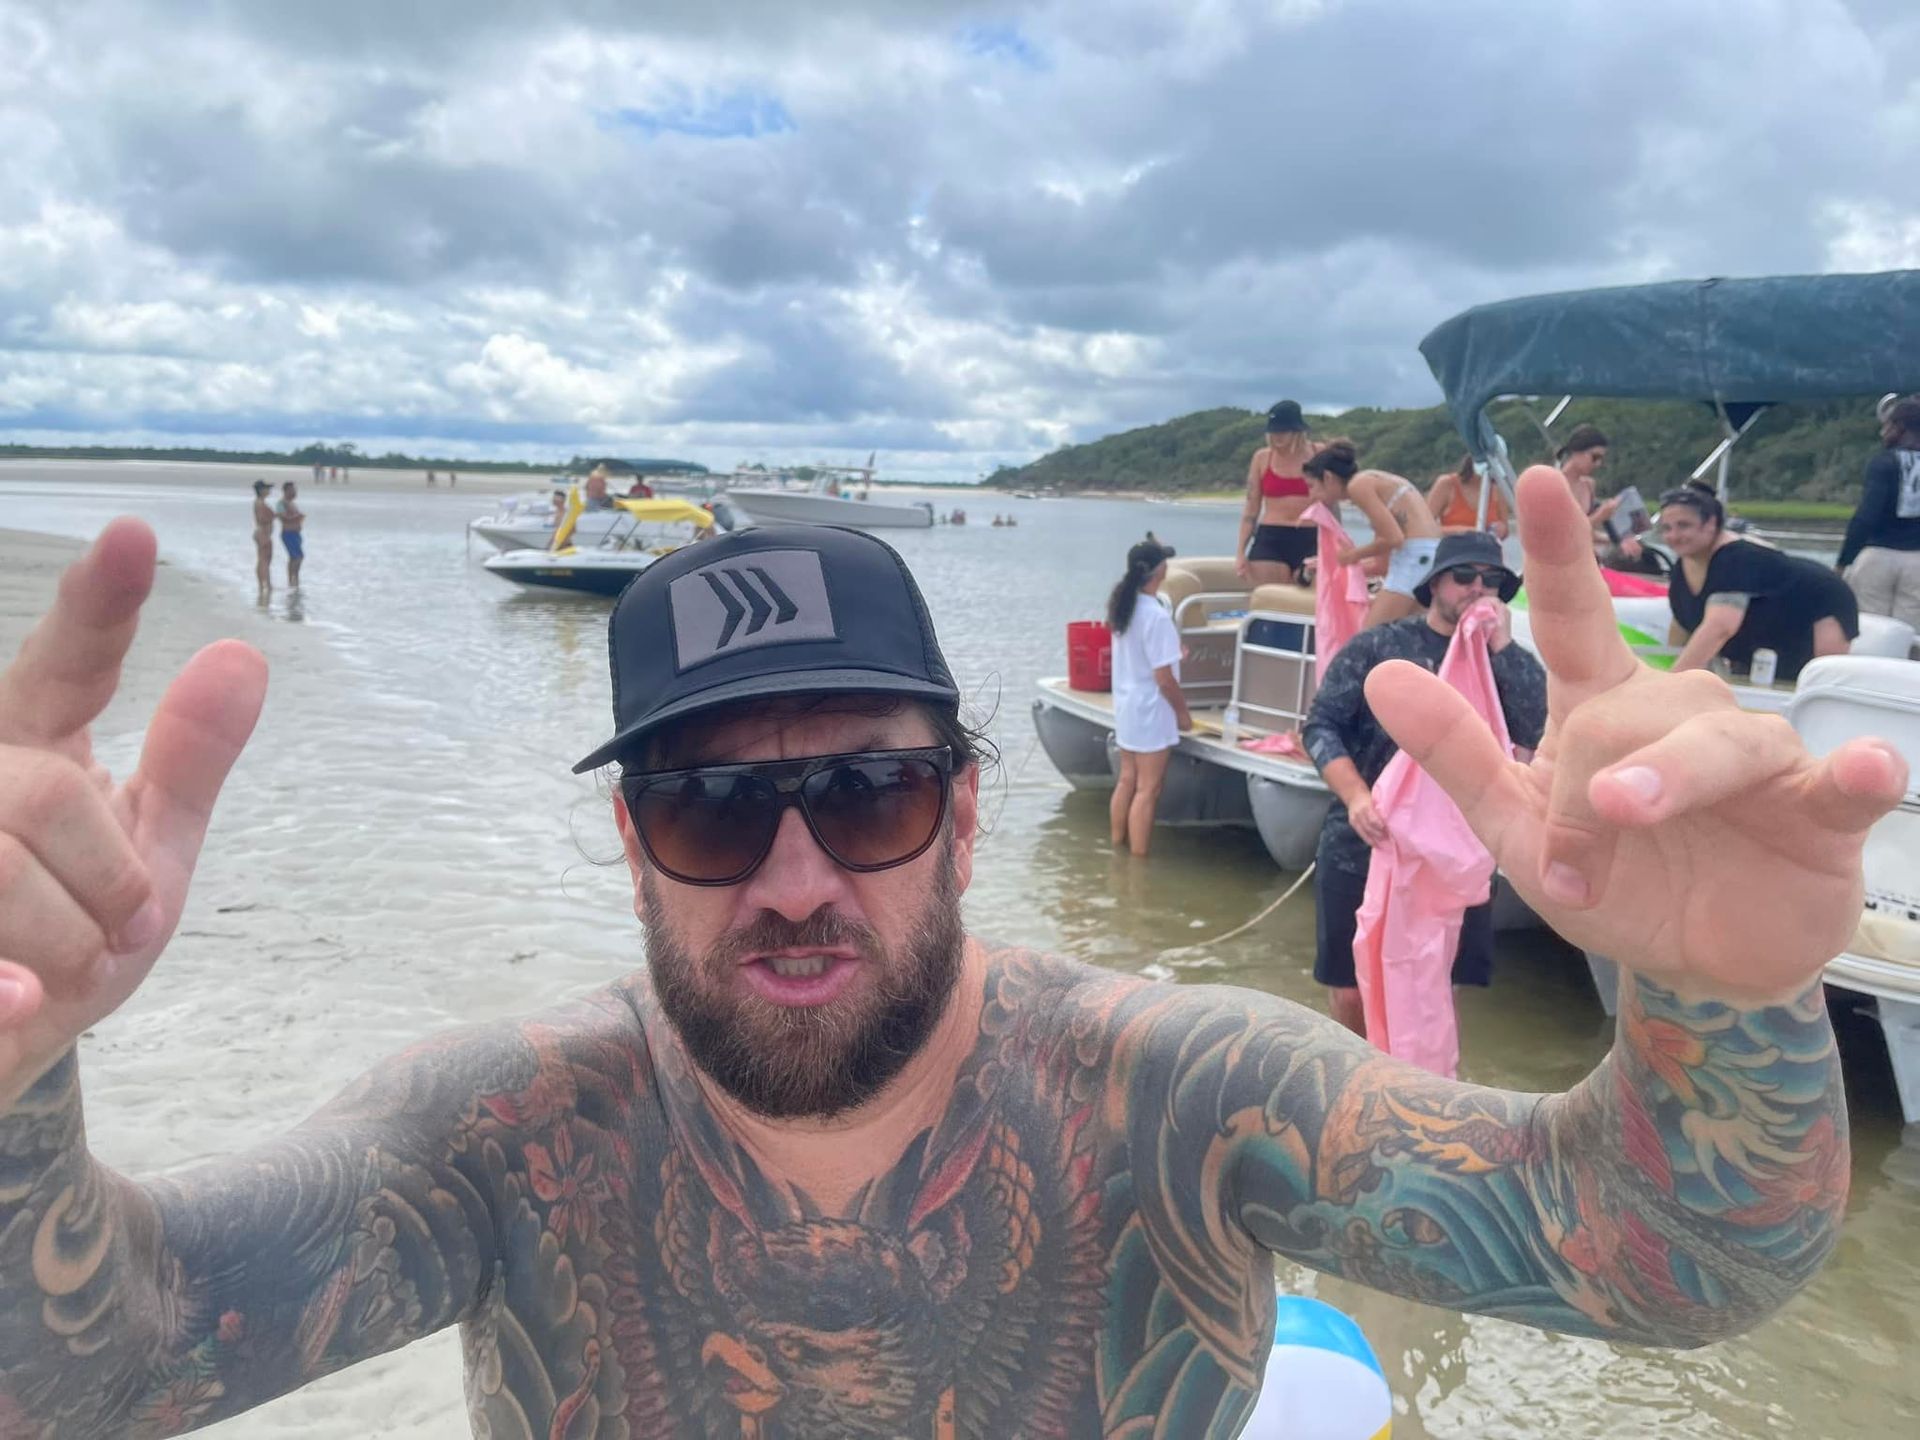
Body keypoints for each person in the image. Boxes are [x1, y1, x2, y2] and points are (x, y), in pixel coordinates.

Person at [0, 472, 1905, 1436]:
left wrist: (1721, 996)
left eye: (873, 793)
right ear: (633, 847)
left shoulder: (1180, 1099)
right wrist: (13, 1076)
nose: (801, 875)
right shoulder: (506, 1143)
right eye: (715, 812)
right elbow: (87, 1368)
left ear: (974, 815)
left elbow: (1669, 1260)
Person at [1301, 531, 1547, 1035]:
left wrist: (1500, 644)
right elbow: (1321, 724)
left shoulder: (1508, 662)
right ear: (1435, 583)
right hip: (1365, 838)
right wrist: (1355, 797)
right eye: (1464, 577)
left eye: (1492, 580)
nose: (1478, 589)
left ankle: (1419, 1084)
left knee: (1438, 984)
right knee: (1350, 985)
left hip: (1457, 850)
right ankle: (1356, 1076)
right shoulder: (1381, 646)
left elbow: (1538, 727)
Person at [1661, 483, 1857, 681]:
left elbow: (1720, 627)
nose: (1674, 536)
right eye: (1667, 528)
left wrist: (1673, 683)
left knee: (1818, 677)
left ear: (1711, 523)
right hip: (1766, 621)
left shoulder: (1736, 558)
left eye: (1684, 526)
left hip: (1822, 603)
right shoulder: (1682, 568)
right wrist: (1665, 670)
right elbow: (1682, 623)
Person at [1106, 536, 1192, 857]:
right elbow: (1164, 679)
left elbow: (1144, 656)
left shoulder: (1123, 608)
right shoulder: (1155, 615)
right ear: (1160, 571)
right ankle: (1138, 860)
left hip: (1128, 708)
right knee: (1148, 789)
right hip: (1151, 712)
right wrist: (1183, 714)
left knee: (1127, 780)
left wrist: (1173, 652)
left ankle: (1118, 846)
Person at [1302, 441, 1443, 627]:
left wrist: (1352, 555)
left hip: (1415, 557)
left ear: (1328, 477)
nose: (1311, 496)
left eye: (1312, 486)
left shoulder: (1359, 485)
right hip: (1427, 557)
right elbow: (1381, 565)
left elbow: (1394, 539)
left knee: (1370, 639)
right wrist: (1331, 564)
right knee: (1408, 634)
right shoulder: (1376, 484)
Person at [1838, 393, 1920, 631]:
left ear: (1900, 428)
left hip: (1878, 557)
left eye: (1887, 425)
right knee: (1913, 636)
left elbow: (1866, 516)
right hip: (1917, 560)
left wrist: (1844, 561)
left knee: (1870, 629)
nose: (1882, 432)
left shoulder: (1884, 463)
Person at [1236, 400, 1318, 586]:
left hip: (1311, 534)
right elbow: (1251, 510)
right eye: (1273, 431)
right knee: (1270, 597)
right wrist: (1240, 552)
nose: (1277, 436)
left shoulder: (1317, 453)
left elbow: (1332, 504)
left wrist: (1338, 542)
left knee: (1305, 600)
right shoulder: (1262, 458)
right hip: (1272, 536)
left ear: (1296, 431)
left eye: (1283, 431)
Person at [1425, 454, 1508, 539]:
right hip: (1454, 549)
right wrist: (1464, 531)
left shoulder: (1497, 489)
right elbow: (1424, 527)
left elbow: (1505, 530)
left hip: (1488, 550)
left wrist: (1501, 529)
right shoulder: (1447, 484)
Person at [275, 480, 305, 589]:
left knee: (295, 557)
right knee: (297, 557)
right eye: (292, 490)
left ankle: (295, 579)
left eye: (295, 490)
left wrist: (298, 519)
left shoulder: (292, 503)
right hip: (288, 533)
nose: (294, 492)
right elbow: (282, 517)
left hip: (295, 534)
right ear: (286, 491)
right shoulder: (281, 503)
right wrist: (296, 518)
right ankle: (291, 580)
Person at [249, 480, 275, 601]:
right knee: (263, 560)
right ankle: (264, 585)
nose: (269, 491)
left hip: (264, 533)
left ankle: (266, 583)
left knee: (266, 560)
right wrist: (272, 516)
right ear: (261, 490)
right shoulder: (259, 503)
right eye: (266, 489)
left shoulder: (261, 502)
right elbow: (261, 519)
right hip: (262, 533)